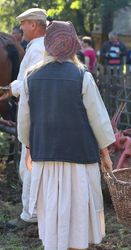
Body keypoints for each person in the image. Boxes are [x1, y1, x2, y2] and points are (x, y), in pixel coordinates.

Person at [17, 20, 115, 250]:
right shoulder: (82, 76)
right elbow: (98, 119)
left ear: (48, 45)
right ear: (73, 46)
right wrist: (105, 152)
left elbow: (24, 122)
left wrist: (29, 149)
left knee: (51, 209)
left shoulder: (31, 77)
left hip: (45, 157)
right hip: (80, 158)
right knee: (78, 210)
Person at [1, 8, 47, 226]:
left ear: (34, 25)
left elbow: (34, 82)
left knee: (29, 164)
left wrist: (13, 88)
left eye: (23, 24)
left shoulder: (38, 49)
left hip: (35, 112)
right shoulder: (37, 46)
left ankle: (31, 213)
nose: (20, 28)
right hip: (36, 111)